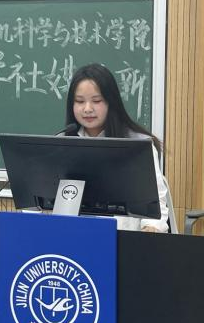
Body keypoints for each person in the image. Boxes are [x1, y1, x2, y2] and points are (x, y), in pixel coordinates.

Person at [63, 63, 169, 233]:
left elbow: (156, 201)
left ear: (111, 102)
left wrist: (150, 229)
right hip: (73, 236)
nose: (87, 109)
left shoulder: (138, 145)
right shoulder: (62, 143)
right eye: (80, 101)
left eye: (96, 101)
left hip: (124, 238)